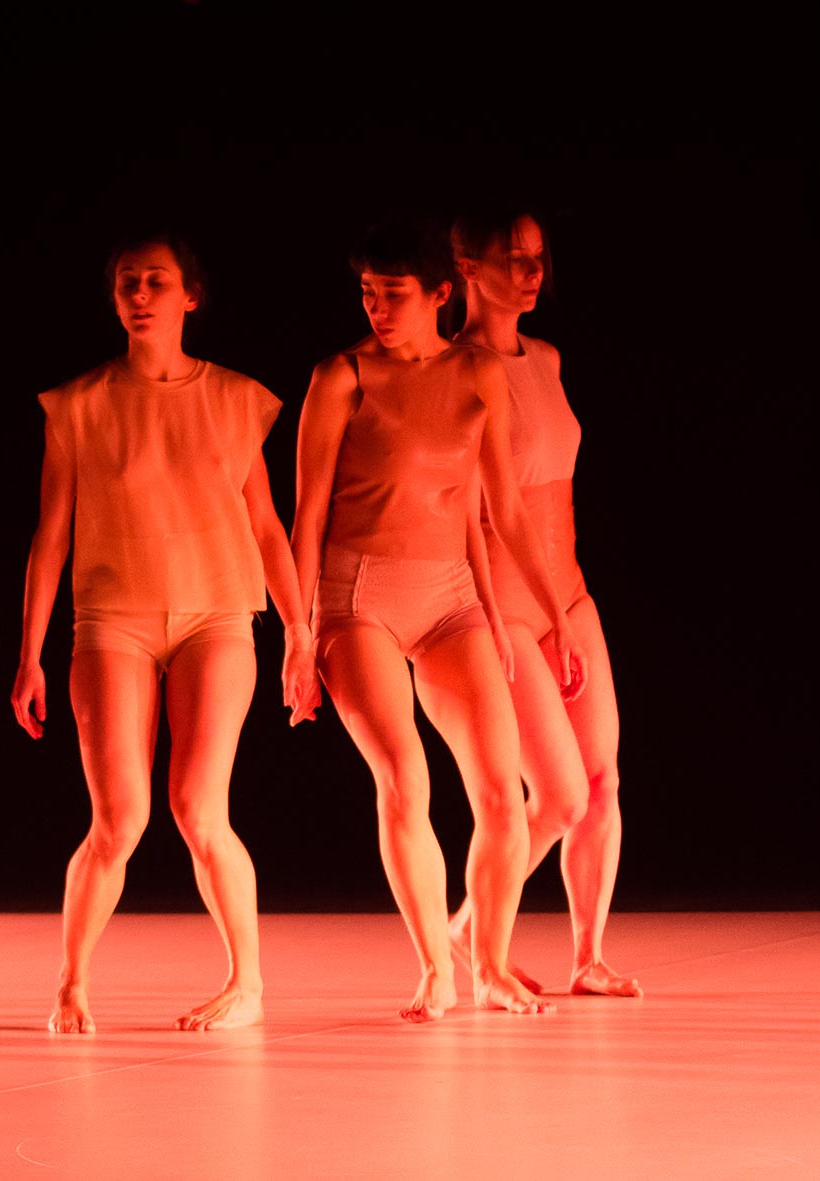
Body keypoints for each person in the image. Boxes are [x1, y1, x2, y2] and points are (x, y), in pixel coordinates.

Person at [12, 233, 316, 1034]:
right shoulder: (78, 404)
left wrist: (299, 630)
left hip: (217, 613)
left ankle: (247, 982)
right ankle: (72, 983)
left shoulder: (235, 398)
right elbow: (50, 536)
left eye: (157, 281)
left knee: (199, 807)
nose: (141, 294)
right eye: (128, 283)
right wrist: (28, 655)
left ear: (191, 296)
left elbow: (266, 524)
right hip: (112, 617)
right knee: (119, 817)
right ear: (114, 298)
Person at [291, 221, 584, 1019]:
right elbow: (307, 515)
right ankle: (433, 967)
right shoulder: (343, 376)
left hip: (451, 598)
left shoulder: (477, 373)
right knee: (405, 776)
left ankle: (489, 963)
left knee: (501, 791)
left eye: (394, 295)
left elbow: (502, 512)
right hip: (359, 598)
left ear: (439, 294)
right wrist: (299, 632)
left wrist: (550, 615)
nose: (378, 310)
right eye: (368, 295)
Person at [448, 209, 639, 998]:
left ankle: (587, 955)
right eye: (511, 258)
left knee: (601, 782)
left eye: (535, 257)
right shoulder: (457, 370)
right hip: (505, 601)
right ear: (466, 266)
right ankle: (468, 929)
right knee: (557, 795)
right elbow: (473, 508)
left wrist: (565, 608)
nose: (530, 272)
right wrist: (504, 620)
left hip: (569, 592)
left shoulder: (548, 359)